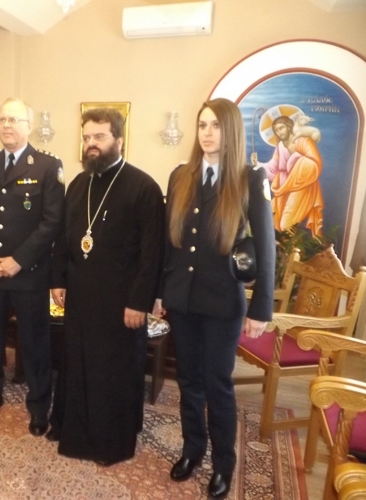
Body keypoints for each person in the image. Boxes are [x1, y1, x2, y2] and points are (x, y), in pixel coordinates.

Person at [155, 98, 275, 499]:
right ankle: (193, 450)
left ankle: (224, 462)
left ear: (231, 131)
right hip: (183, 301)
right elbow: (168, 242)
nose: (207, 133)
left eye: (216, 126)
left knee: (217, 383)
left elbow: (266, 246)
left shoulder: (249, 178)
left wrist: (260, 309)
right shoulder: (181, 176)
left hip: (223, 303)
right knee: (188, 379)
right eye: (202, 125)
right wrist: (160, 292)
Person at [47, 108, 165, 466]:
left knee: (113, 373)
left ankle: (110, 442)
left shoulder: (144, 187)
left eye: (99, 137)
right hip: (80, 297)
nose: (91, 144)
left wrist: (139, 302)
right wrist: (57, 280)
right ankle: (75, 432)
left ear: (119, 140)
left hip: (121, 304)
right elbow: (64, 239)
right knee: (78, 365)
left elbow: (152, 254)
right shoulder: (78, 184)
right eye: (87, 138)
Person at [0, 97, 65, 436]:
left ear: (28, 126)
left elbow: (52, 222)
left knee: (34, 342)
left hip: (29, 274)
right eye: (2, 119)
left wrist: (19, 260)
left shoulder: (47, 166)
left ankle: (39, 405)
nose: (7, 125)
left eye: (14, 120)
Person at [252, 114, 324, 237]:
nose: (279, 132)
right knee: (271, 218)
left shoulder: (303, 141)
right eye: (276, 130)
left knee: (286, 224)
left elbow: (315, 163)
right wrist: (257, 164)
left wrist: (296, 161)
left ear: (289, 127)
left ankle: (292, 248)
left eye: (281, 128)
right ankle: (288, 249)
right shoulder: (280, 146)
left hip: (303, 186)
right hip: (284, 187)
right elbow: (273, 168)